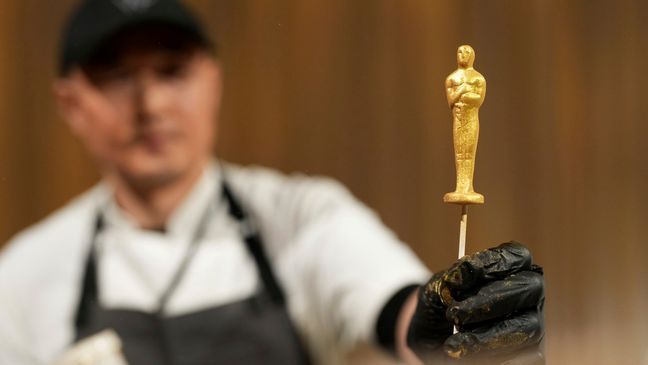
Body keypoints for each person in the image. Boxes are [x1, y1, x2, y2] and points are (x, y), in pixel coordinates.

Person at [0, 0, 545, 364]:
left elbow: (400, 310)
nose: (151, 104)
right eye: (118, 77)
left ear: (212, 80)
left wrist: (447, 326)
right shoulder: (23, 277)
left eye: (172, 70)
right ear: (71, 104)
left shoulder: (302, 217)